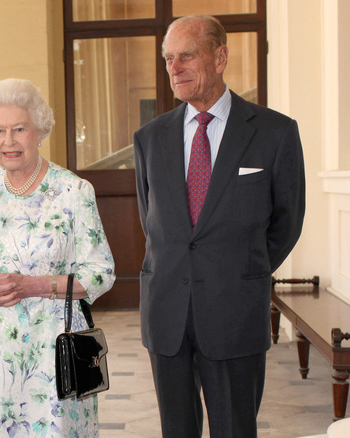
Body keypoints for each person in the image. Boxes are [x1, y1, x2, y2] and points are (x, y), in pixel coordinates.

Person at [133, 15, 306, 438]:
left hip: (234, 313)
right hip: (167, 313)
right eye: (169, 59)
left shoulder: (275, 132)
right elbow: (153, 220)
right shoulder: (150, 138)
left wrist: (242, 268)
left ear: (221, 56)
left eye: (186, 56)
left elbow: (287, 221)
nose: (175, 68)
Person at [0, 78, 116, 437]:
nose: (8, 140)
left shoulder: (73, 191)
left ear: (39, 131)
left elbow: (101, 273)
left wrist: (32, 286)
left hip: (54, 353)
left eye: (19, 129)